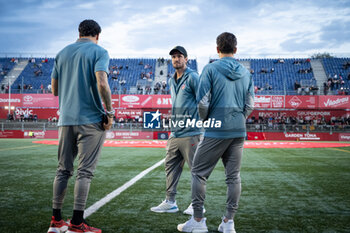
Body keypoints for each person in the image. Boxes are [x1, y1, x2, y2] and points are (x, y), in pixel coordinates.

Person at [177, 32, 254, 233]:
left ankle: (198, 220)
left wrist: (209, 120)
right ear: (235, 50)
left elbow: (202, 101)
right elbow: (250, 104)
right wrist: (238, 118)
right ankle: (228, 223)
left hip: (216, 128)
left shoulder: (210, 69)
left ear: (217, 49)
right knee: (233, 177)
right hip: (238, 129)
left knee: (198, 173)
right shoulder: (246, 73)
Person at [47, 19, 114, 233]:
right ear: (97, 35)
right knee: (84, 172)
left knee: (62, 170)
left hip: (65, 119)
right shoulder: (99, 51)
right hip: (90, 120)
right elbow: (102, 82)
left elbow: (54, 90)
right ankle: (77, 223)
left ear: (79, 33)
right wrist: (110, 112)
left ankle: (56, 220)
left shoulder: (62, 53)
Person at [150, 46, 204, 215]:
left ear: (186, 59)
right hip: (175, 133)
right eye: (173, 57)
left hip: (192, 132)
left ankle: (198, 205)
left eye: (179, 56)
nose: (176, 59)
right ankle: (170, 201)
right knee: (170, 167)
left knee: (196, 171)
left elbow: (204, 101)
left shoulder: (193, 77)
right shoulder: (172, 80)